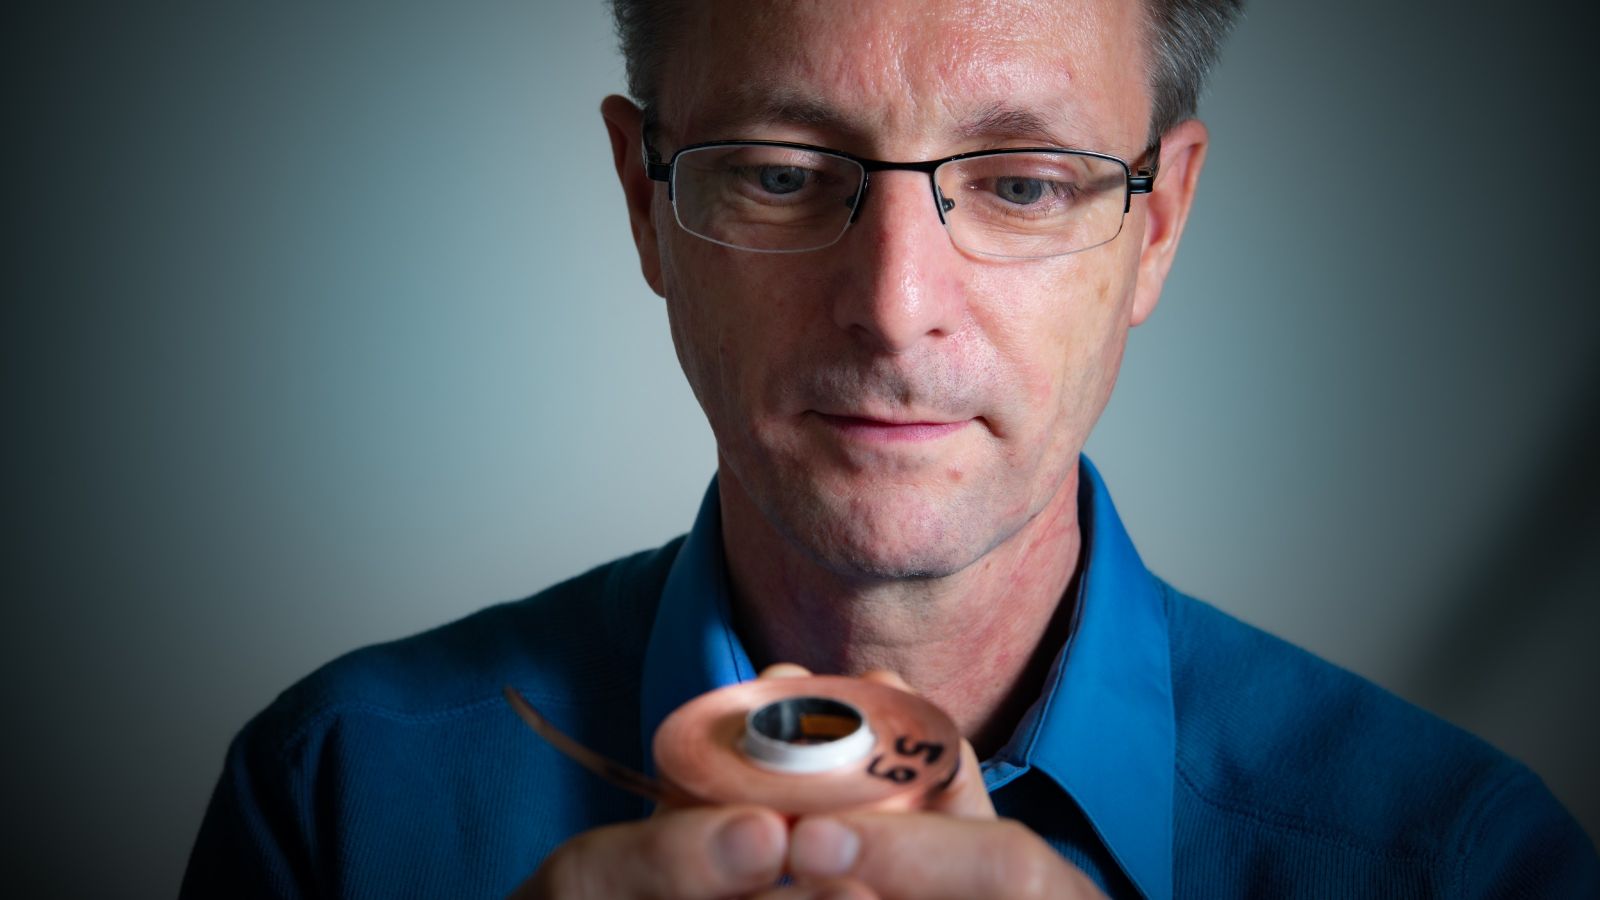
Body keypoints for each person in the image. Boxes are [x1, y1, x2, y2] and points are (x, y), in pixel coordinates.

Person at [181, 0, 1599, 897]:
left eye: (1027, 182)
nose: (895, 306)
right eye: (785, 174)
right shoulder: (337, 806)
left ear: (1154, 227)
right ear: (642, 199)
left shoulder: (1465, 865)